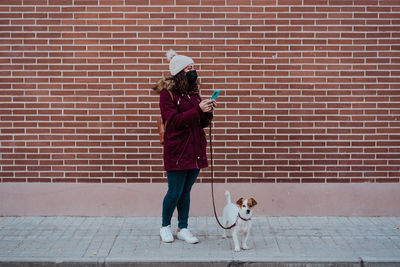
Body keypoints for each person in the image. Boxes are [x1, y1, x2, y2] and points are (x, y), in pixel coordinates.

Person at [153, 50, 216, 244]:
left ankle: (183, 227)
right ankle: (165, 227)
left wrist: (207, 112)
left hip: (195, 149)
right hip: (178, 150)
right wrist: (197, 110)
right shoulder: (167, 94)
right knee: (174, 191)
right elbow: (173, 121)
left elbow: (199, 122)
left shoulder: (193, 92)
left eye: (194, 67)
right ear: (180, 72)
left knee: (186, 191)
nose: (193, 71)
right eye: (190, 68)